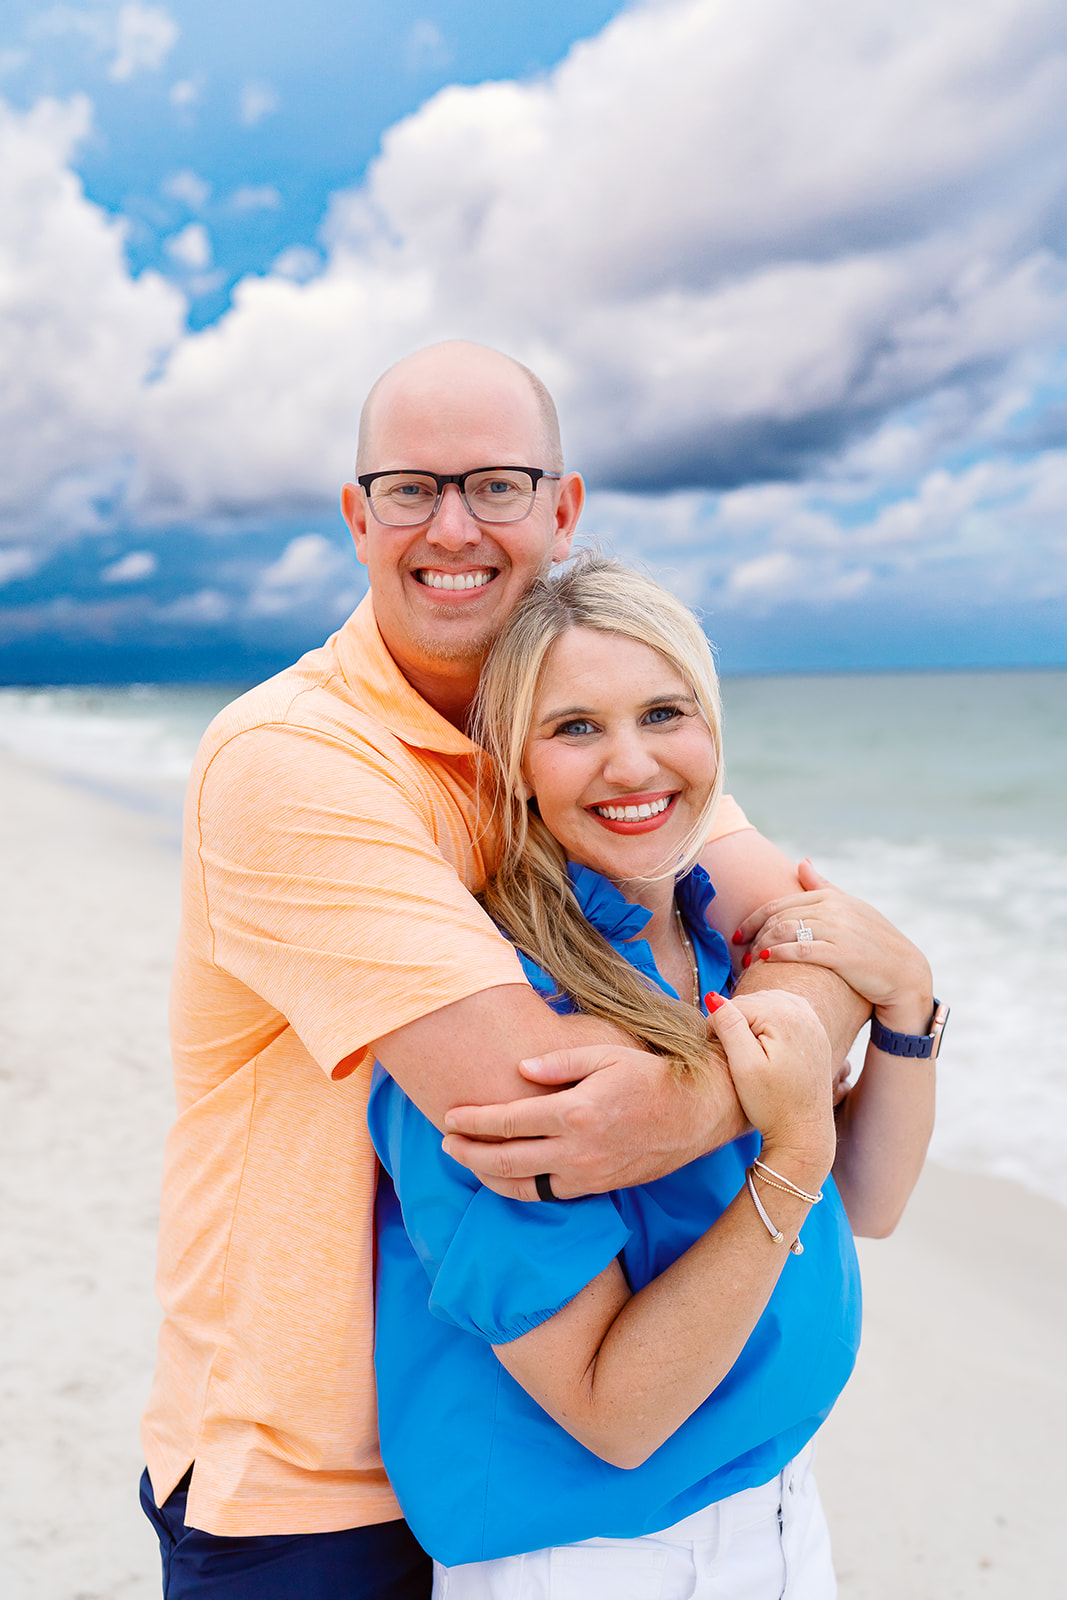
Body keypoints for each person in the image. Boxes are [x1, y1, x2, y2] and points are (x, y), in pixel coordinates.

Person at [141, 342, 882, 1598]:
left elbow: (817, 934)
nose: (453, 527)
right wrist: (783, 1081)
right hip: (315, 1484)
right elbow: (548, 1117)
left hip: (522, 1459)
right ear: (355, 516)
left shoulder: (578, 735)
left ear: (562, 510)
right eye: (410, 488)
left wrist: (825, 1004)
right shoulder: (291, 759)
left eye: (494, 484)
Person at [369, 556, 940, 1597]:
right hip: (592, 1556)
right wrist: (793, 1144)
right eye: (574, 727)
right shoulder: (503, 1019)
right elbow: (613, 1410)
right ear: (515, 763)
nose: (631, 764)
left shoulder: (717, 939)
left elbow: (869, 1199)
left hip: (772, 1511)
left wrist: (907, 1000)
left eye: (664, 711)